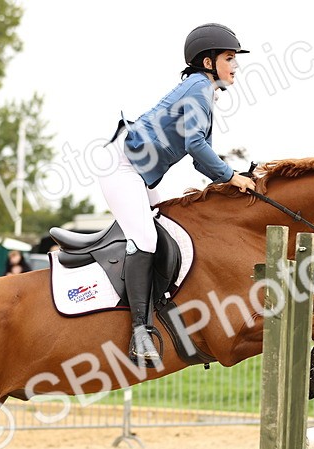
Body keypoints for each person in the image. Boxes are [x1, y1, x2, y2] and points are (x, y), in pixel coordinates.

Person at [96, 22, 256, 367]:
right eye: (230, 58)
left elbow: (200, 157)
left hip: (141, 174)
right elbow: (195, 145)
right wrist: (231, 177)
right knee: (146, 240)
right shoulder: (199, 88)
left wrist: (228, 179)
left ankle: (162, 308)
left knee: (173, 223)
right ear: (209, 62)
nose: (236, 65)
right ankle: (140, 332)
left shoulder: (202, 90)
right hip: (122, 168)